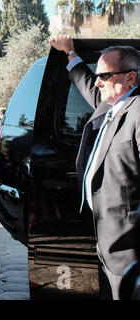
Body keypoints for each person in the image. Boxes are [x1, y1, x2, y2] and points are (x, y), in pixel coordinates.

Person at [50, 35, 140, 300]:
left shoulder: (137, 110)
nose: (98, 80)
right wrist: (69, 53)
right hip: (105, 237)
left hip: (129, 246)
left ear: (130, 78)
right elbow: (89, 85)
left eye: (104, 75)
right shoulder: (110, 105)